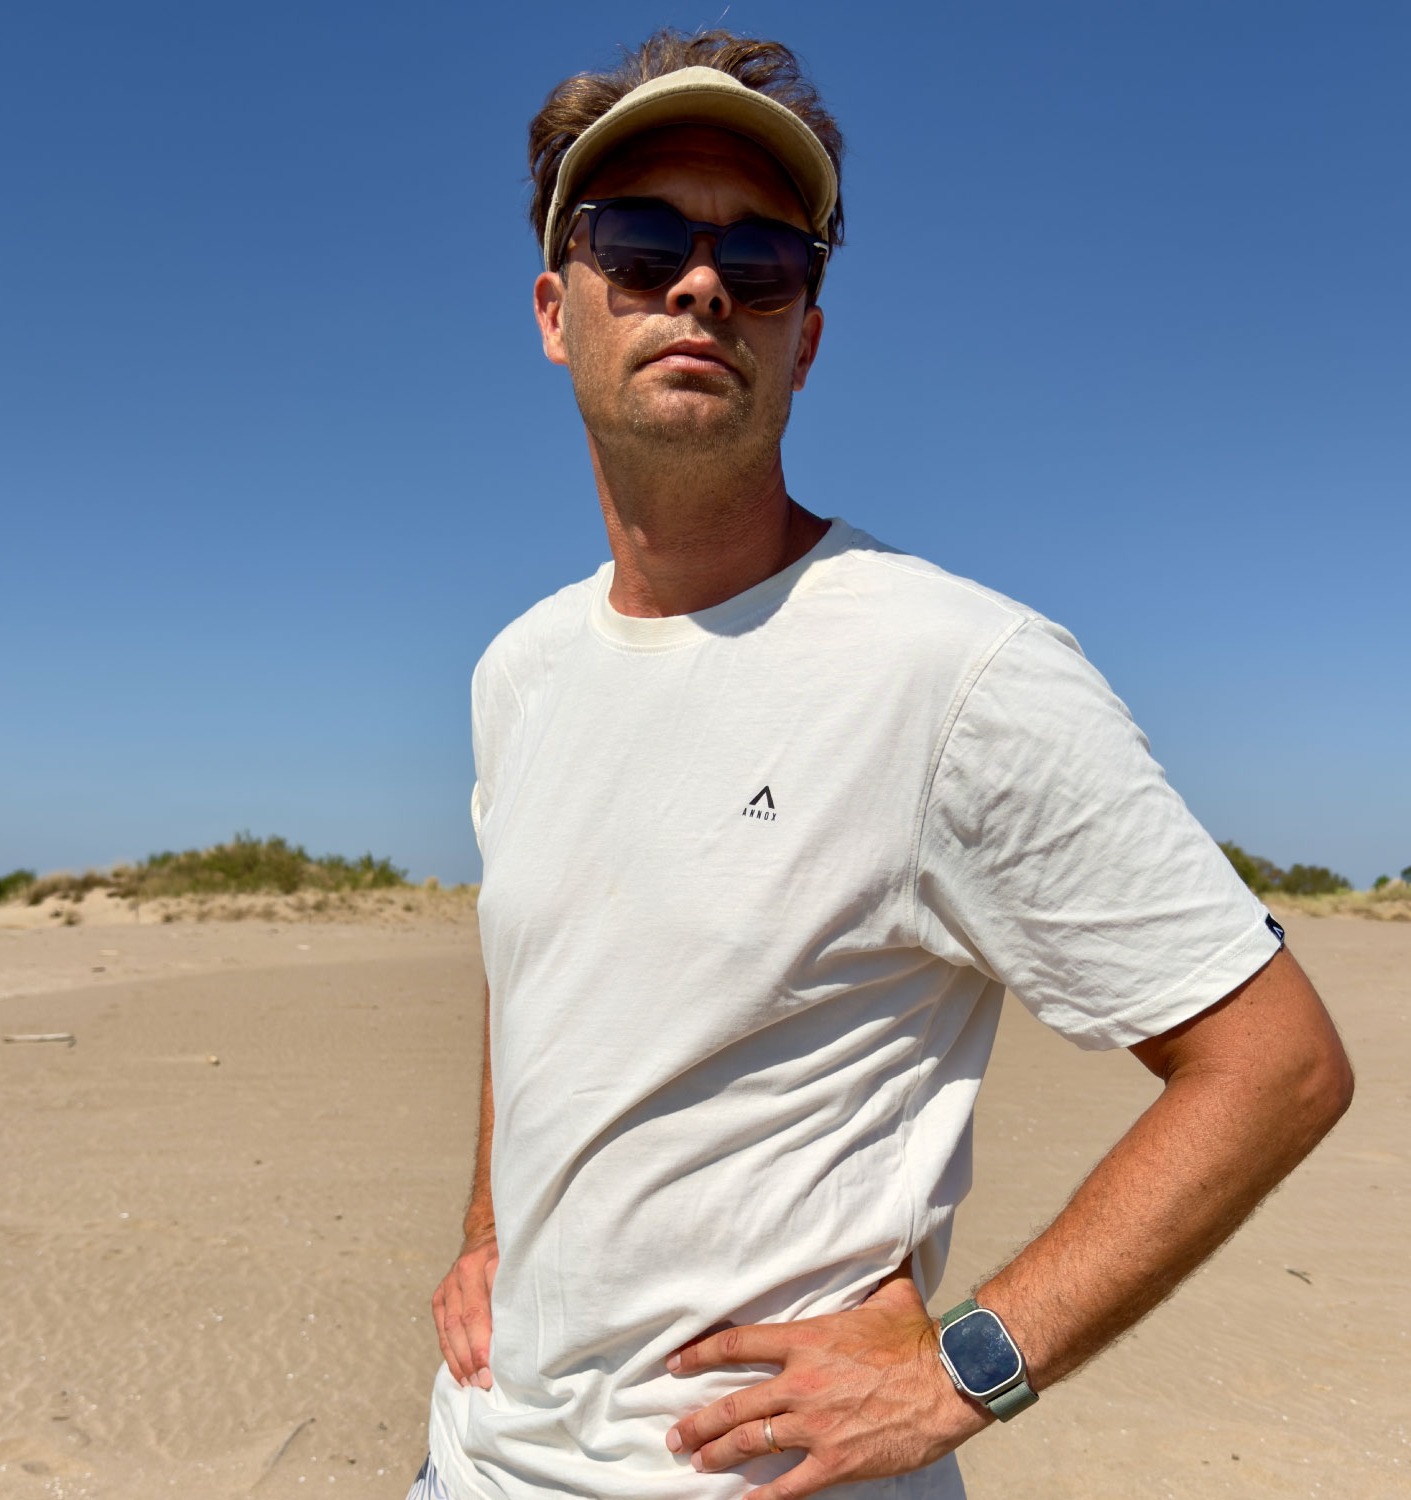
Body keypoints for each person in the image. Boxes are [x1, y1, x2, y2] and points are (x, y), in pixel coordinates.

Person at [417, 28, 1354, 1500]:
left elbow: (1275, 1063)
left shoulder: (956, 670)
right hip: (471, 1464)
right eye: (642, 243)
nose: (702, 286)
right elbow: (528, 976)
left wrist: (963, 1368)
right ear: (556, 307)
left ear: (806, 336)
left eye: (761, 261)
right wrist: (487, 1230)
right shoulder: (516, 671)